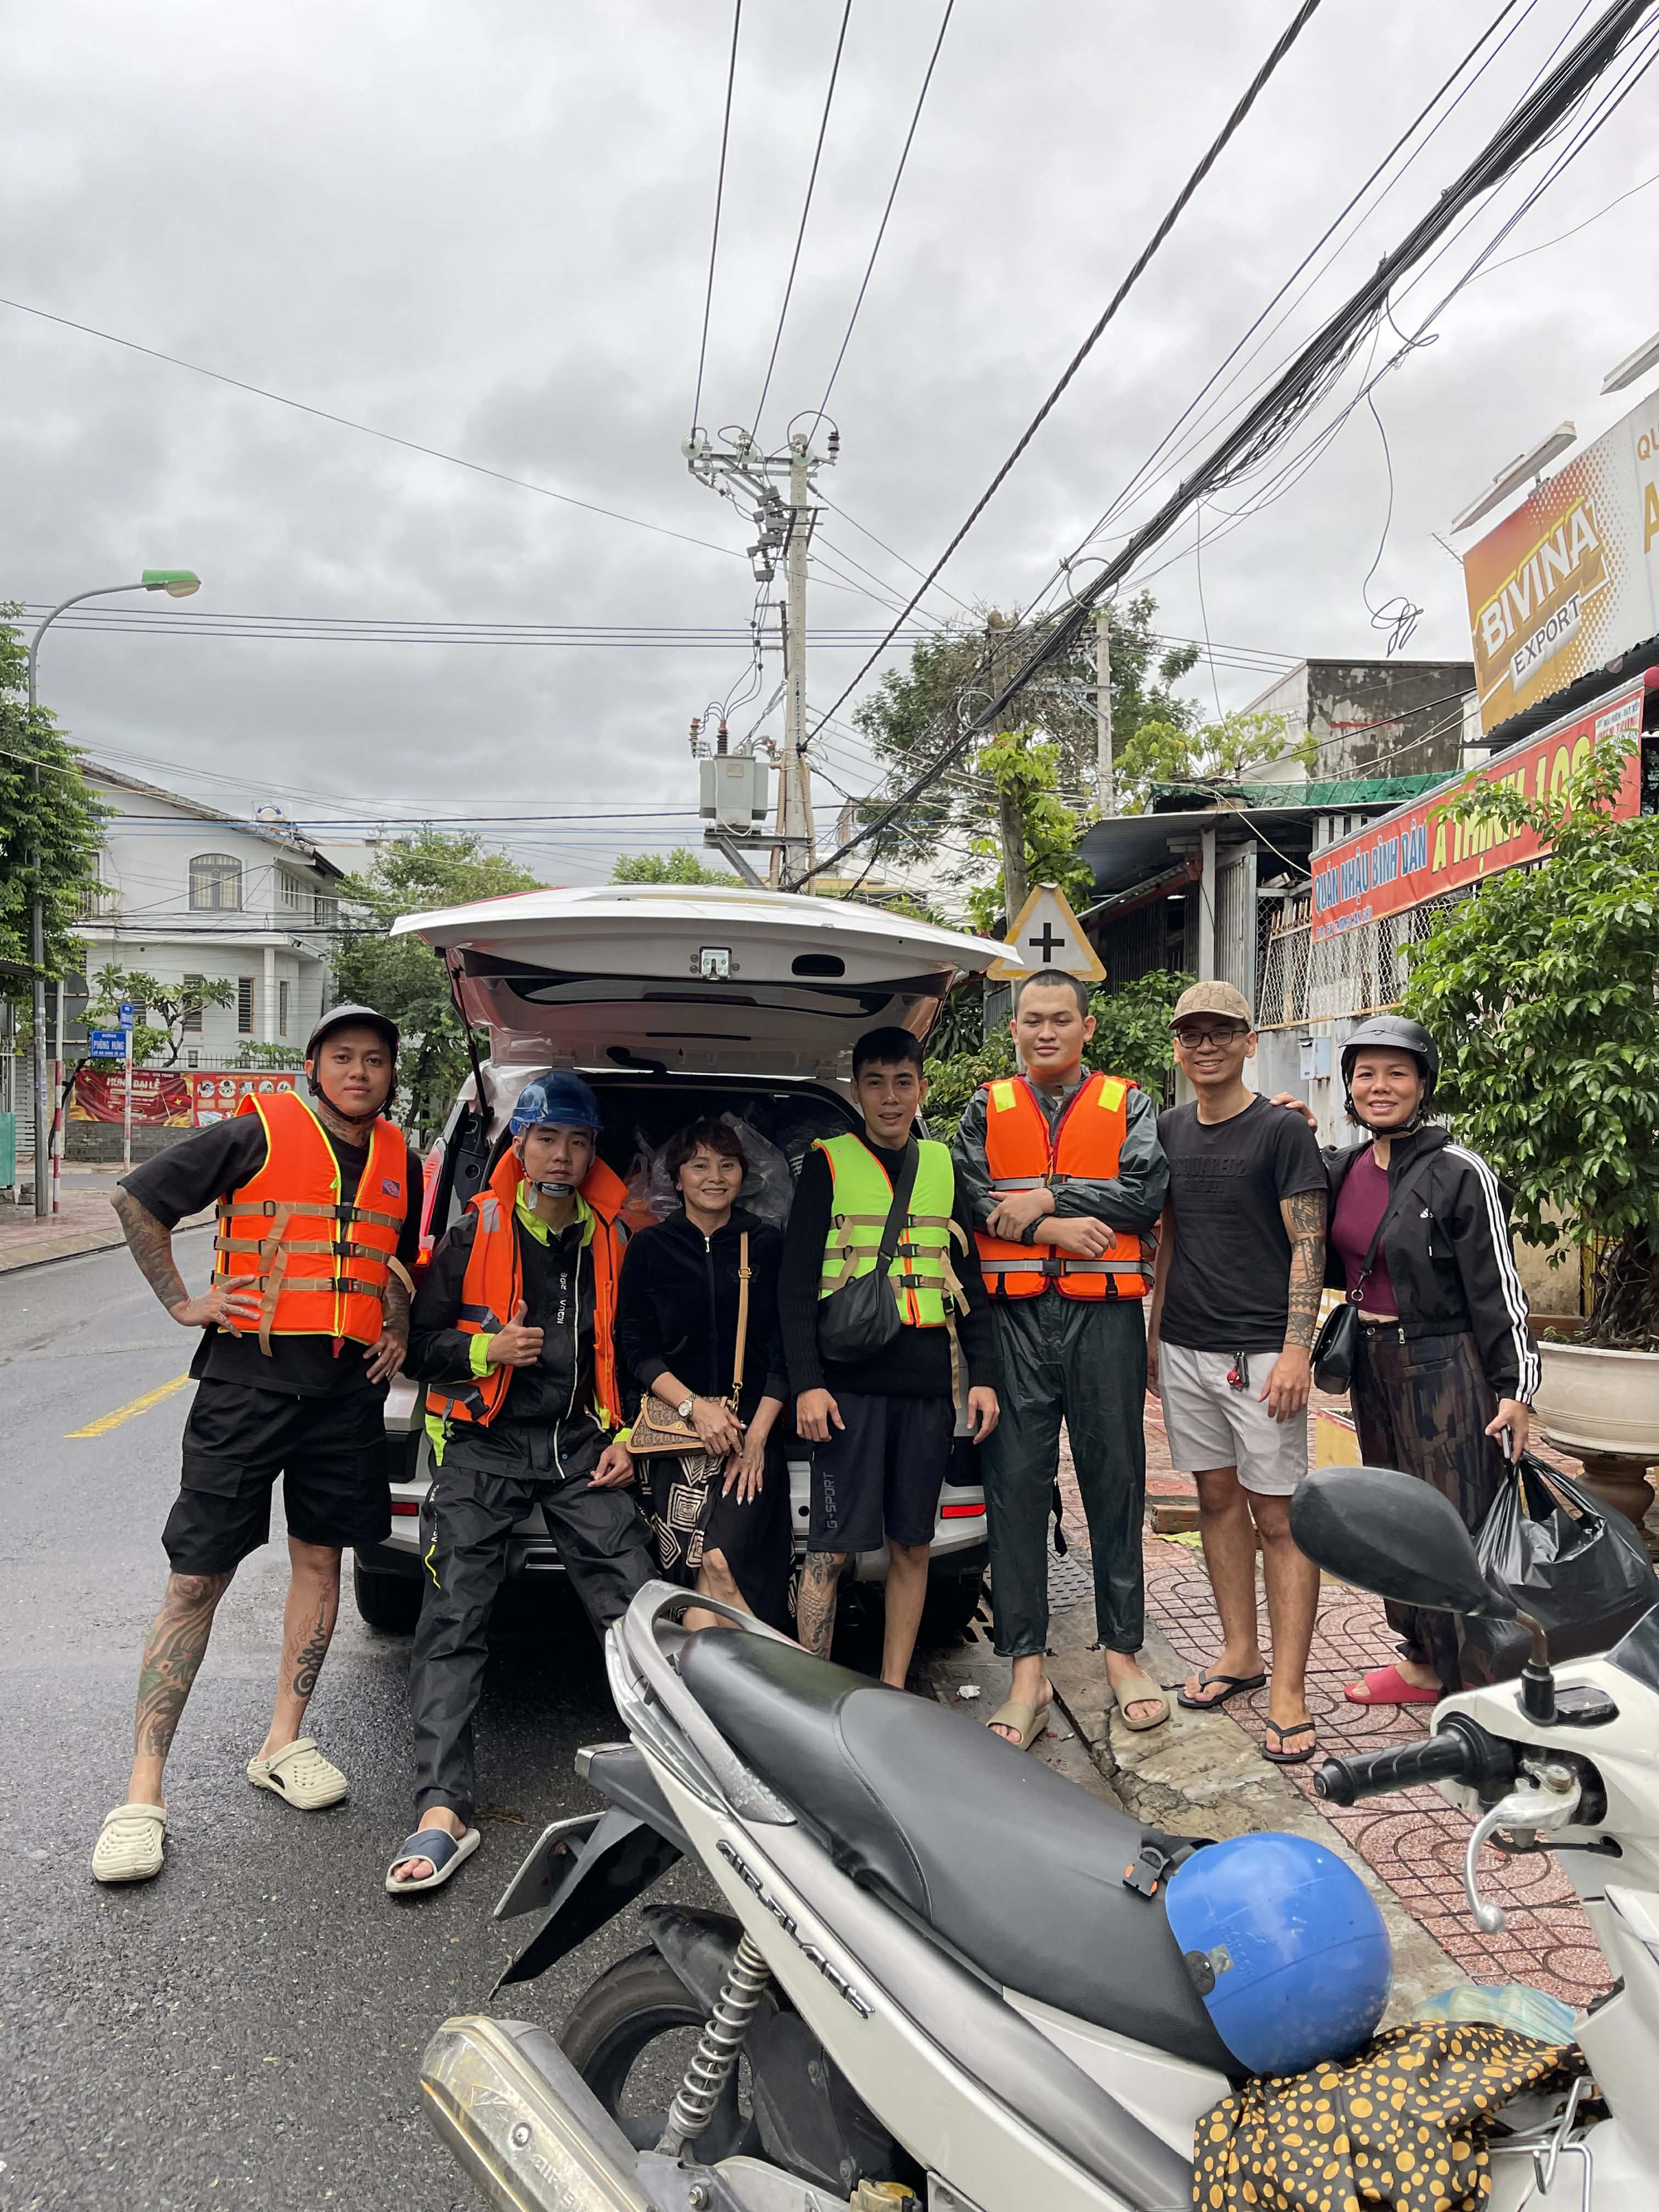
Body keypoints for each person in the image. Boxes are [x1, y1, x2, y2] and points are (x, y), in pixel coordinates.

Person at [93, 1006, 418, 1885]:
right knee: (196, 1576)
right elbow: (135, 1198)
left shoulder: (401, 1156)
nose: (360, 1071)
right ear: (314, 1065)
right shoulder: (257, 1130)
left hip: (345, 1392)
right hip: (247, 1381)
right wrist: (182, 1303)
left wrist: (395, 1323)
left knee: (322, 1561)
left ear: (391, 1075)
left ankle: (283, 1743)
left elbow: (390, 1254)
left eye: (375, 1059)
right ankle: (142, 1794)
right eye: (343, 1056)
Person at [391, 1072, 654, 1894]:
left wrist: (627, 1438)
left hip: (579, 1448)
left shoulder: (614, 1238)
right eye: (547, 1139)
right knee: (453, 1614)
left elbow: (631, 1352)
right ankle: (442, 1808)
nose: (562, 1156)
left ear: (593, 1151)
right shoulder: (475, 1229)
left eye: (578, 1141)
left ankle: (674, 1773)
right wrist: (486, 1351)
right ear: (521, 1146)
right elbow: (417, 1348)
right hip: (484, 1445)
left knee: (635, 1603)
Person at [954, 971, 1171, 1748]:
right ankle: (1026, 1674)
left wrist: (1049, 1198)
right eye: (1031, 1020)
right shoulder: (986, 1107)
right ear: (1013, 1029)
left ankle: (1123, 1656)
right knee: (1014, 1487)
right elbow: (970, 1196)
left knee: (1117, 1480)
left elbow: (1144, 1194)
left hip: (1104, 1317)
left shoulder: (1128, 1103)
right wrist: (1051, 1232)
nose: (1044, 1032)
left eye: (1059, 1019)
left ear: (1087, 1027)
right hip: (1013, 1320)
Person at [1302, 1016, 1537, 1704]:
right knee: (1394, 1515)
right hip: (1372, 1366)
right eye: (1365, 1074)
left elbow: (1498, 1288)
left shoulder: (1460, 1171)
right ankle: (1423, 1659)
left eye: (1397, 1073)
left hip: (1445, 1368)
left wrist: (1516, 1387)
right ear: (1349, 1085)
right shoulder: (1343, 1168)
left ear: (1424, 1083)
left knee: (1456, 1521)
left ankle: (1479, 1679)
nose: (1379, 1086)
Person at [780, 1026, 1000, 1687]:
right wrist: (808, 1383)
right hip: (848, 1389)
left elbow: (968, 1279)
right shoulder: (827, 1163)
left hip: (927, 1388)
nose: (890, 1097)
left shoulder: (941, 1166)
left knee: (914, 1544)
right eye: (875, 1083)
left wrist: (984, 1376)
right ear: (857, 1090)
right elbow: (794, 1286)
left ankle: (894, 1685)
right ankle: (812, 1690)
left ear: (922, 1088)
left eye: (903, 1082)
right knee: (830, 1550)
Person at [1147, 981, 1328, 1767]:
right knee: (1215, 1499)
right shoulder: (1167, 1130)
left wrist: (1297, 1348)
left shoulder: (1282, 1130)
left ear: (1250, 1042)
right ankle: (1240, 1652)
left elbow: (1308, 1243)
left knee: (1280, 1518)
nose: (1206, 1046)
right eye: (1192, 1034)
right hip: (1187, 1347)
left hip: (1262, 1353)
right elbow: (1168, 1237)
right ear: (1178, 1047)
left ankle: (1288, 1688)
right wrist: (1153, 1337)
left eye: (1221, 1032)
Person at [614, 1116, 792, 1631]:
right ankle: (748, 1668)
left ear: (743, 1175)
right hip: (675, 1433)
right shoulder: (650, 1247)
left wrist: (757, 1438)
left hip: (749, 1431)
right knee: (699, 1572)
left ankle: (717, 1670)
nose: (715, 1177)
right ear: (677, 1177)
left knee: (722, 1562)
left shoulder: (766, 1244)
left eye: (727, 1164)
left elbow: (787, 1349)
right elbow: (636, 1349)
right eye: (699, 1165)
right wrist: (695, 1408)